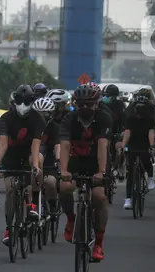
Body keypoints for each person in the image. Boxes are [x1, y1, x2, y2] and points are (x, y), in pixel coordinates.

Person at [59, 84, 111, 261]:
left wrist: (102, 172)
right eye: (81, 105)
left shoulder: (103, 118)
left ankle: (98, 243)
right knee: (65, 187)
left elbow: (103, 146)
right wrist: (64, 170)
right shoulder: (69, 119)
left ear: (96, 103)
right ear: (75, 104)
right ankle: (71, 219)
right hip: (77, 161)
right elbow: (65, 145)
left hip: (98, 162)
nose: (85, 108)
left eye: (89, 104)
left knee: (99, 197)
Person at [0, 84, 45, 245]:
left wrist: (35, 166)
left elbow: (35, 144)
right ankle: (8, 227)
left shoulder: (38, 119)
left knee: (36, 162)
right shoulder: (5, 118)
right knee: (11, 189)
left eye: (27, 101)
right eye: (20, 101)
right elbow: (2, 144)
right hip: (11, 155)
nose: (23, 105)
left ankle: (32, 205)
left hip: (28, 154)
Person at [122, 94, 155, 210]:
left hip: (144, 144)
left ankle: (151, 179)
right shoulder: (130, 119)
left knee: (147, 159)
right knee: (130, 172)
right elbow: (127, 132)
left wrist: (152, 146)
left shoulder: (150, 120)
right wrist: (123, 145)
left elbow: (151, 133)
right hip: (132, 145)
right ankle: (128, 199)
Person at [32, 97, 60, 212]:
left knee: (50, 182)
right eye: (38, 114)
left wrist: (58, 159)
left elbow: (58, 145)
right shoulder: (30, 126)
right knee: (28, 187)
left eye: (45, 114)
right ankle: (32, 209)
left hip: (50, 163)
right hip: (33, 163)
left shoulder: (55, 127)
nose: (42, 117)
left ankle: (53, 205)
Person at [102, 84, 127, 180]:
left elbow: (124, 120)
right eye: (104, 95)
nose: (105, 97)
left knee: (119, 149)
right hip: (104, 133)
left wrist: (123, 132)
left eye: (108, 95)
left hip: (117, 132)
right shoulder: (101, 105)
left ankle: (120, 168)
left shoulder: (119, 105)